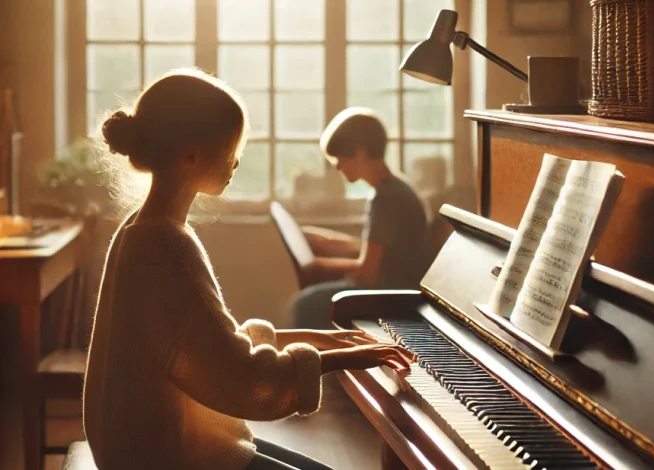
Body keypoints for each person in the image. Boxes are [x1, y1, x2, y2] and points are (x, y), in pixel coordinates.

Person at [82, 69, 414, 470]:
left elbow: (205, 346)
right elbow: (238, 377)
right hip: (159, 456)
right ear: (191, 156)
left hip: (145, 445)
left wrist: (325, 338)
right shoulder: (165, 245)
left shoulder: (142, 228)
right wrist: (349, 358)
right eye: (231, 148)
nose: (237, 161)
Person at [291, 108, 430, 329]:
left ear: (360, 153)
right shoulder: (396, 188)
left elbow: (367, 273)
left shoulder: (386, 198)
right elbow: (375, 250)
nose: (336, 166)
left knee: (306, 303)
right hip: (400, 287)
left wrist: (320, 267)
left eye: (340, 158)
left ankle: (314, 363)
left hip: (394, 295)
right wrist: (325, 243)